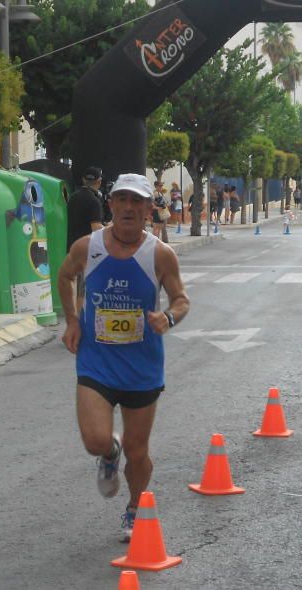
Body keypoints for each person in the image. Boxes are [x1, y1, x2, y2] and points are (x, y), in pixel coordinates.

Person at [57, 173, 190, 542]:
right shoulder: (89, 246)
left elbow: (181, 299)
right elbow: (65, 276)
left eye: (138, 202)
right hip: (96, 361)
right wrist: (72, 320)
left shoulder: (160, 254)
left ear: (149, 208)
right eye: (122, 200)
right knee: (95, 440)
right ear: (111, 204)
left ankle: (134, 507)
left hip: (142, 367)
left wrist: (168, 317)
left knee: (139, 449)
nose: (129, 208)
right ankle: (108, 453)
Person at [66, 166, 104, 252]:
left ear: (83, 179)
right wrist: (111, 228)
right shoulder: (94, 201)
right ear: (99, 182)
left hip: (71, 247)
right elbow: (96, 228)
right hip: (86, 250)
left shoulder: (72, 197)